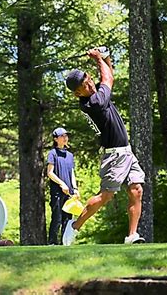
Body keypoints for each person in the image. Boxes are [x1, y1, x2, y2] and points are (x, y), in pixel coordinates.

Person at [62, 47, 146, 246]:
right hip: (114, 156)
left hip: (126, 152)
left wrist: (105, 57)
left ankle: (132, 236)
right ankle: (74, 226)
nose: (90, 85)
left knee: (136, 189)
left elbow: (109, 77)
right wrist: (99, 58)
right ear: (77, 93)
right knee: (106, 196)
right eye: (85, 85)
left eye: (89, 79)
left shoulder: (96, 95)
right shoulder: (94, 103)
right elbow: (108, 80)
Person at [47, 127, 79, 245]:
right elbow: (50, 173)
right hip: (57, 191)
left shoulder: (70, 155)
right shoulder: (52, 153)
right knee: (57, 218)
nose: (65, 138)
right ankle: (52, 243)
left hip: (69, 192)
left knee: (68, 219)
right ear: (56, 139)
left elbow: (72, 173)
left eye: (66, 136)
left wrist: (75, 189)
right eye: (62, 136)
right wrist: (62, 184)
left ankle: (65, 243)